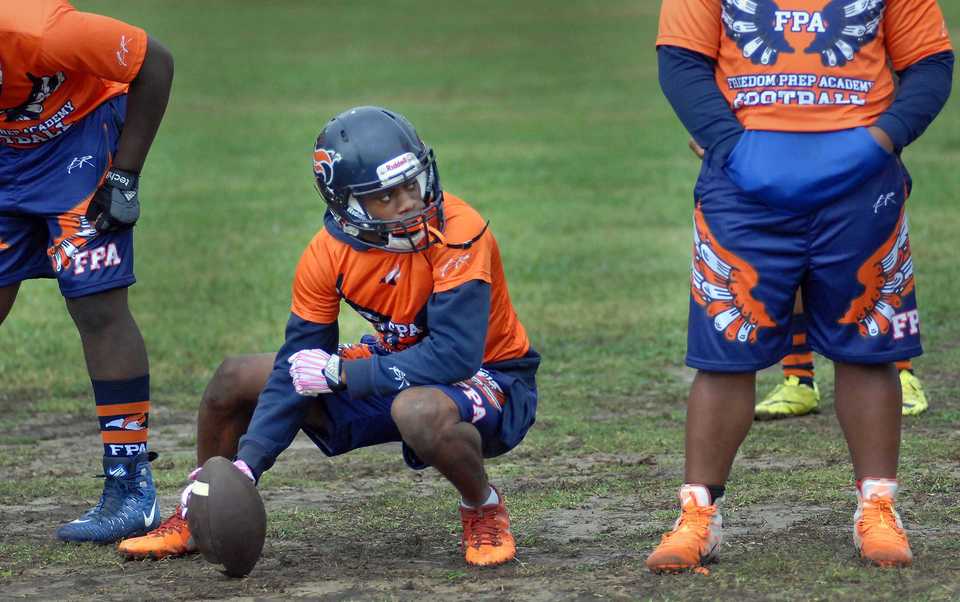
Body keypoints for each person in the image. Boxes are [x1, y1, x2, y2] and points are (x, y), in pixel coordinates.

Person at [117, 106, 540, 567]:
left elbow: (456, 356)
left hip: (491, 374)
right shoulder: (326, 255)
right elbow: (296, 367)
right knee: (236, 377)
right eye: (385, 195)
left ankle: (483, 507)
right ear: (347, 203)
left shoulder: (460, 230)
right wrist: (246, 466)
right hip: (398, 359)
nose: (409, 202)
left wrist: (342, 373)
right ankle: (197, 510)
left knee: (417, 410)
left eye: (411, 183)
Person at [650, 0, 953, 571]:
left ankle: (878, 508)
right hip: (743, 190)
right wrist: (730, 145)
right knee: (725, 355)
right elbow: (682, 61)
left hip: (862, 186)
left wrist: (882, 140)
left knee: (868, 347)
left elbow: (930, 63)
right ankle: (698, 516)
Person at [0, 1, 173, 542]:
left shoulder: (39, 31)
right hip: (7, 154)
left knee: (96, 306)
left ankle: (130, 488)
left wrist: (125, 176)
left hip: (82, 138)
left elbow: (155, 62)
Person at [686, 141, 930, 419]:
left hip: (850, 159)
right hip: (766, 164)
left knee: (870, 268)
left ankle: (900, 371)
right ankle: (798, 376)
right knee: (779, 262)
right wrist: (721, 138)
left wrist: (884, 137)